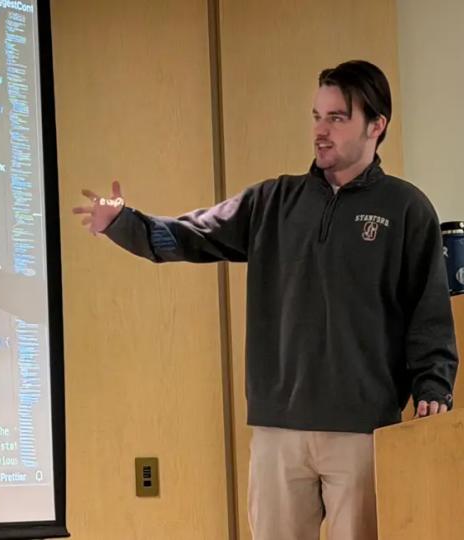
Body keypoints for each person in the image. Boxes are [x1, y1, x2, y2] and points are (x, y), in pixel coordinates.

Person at [72, 60, 458, 539]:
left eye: (337, 118)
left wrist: (433, 387)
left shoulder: (406, 208)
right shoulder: (274, 201)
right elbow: (191, 235)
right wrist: (124, 223)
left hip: (362, 430)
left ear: (376, 125)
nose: (320, 130)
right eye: (316, 116)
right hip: (278, 430)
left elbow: (429, 312)